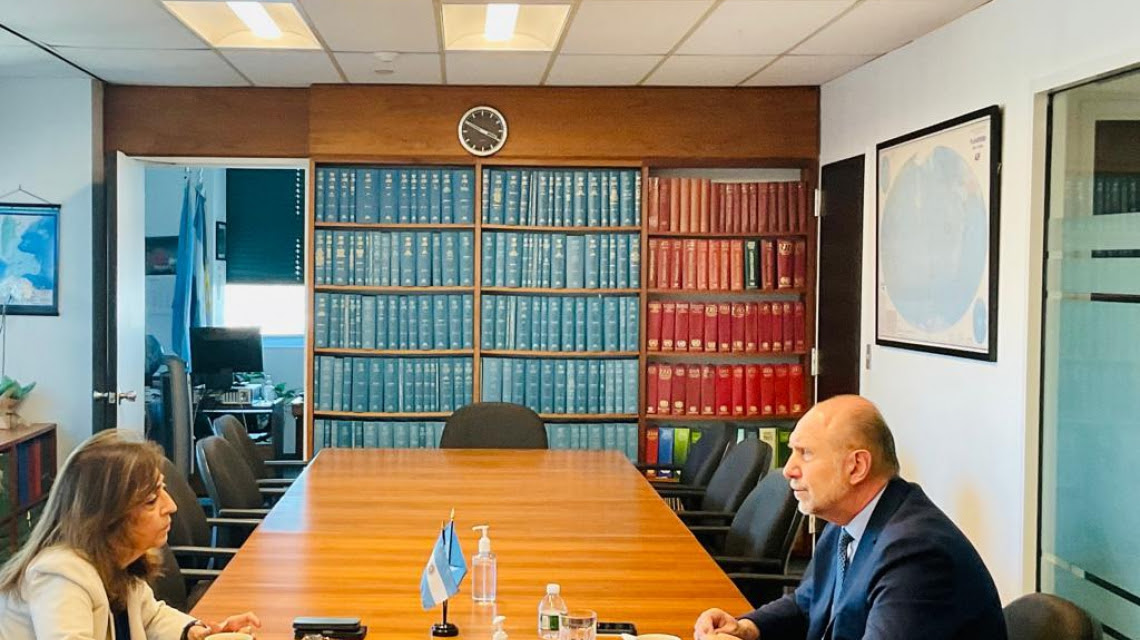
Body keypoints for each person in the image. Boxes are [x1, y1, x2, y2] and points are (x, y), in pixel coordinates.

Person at [694, 395, 1006, 640]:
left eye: (806, 453)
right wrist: (747, 628)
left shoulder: (917, 554)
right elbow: (809, 603)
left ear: (856, 467)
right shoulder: (848, 520)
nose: (788, 469)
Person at [0, 429, 261, 640]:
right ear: (107, 515)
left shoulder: (116, 559)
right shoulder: (59, 574)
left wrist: (196, 632)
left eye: (163, 489)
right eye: (151, 500)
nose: (171, 506)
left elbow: (151, 617)